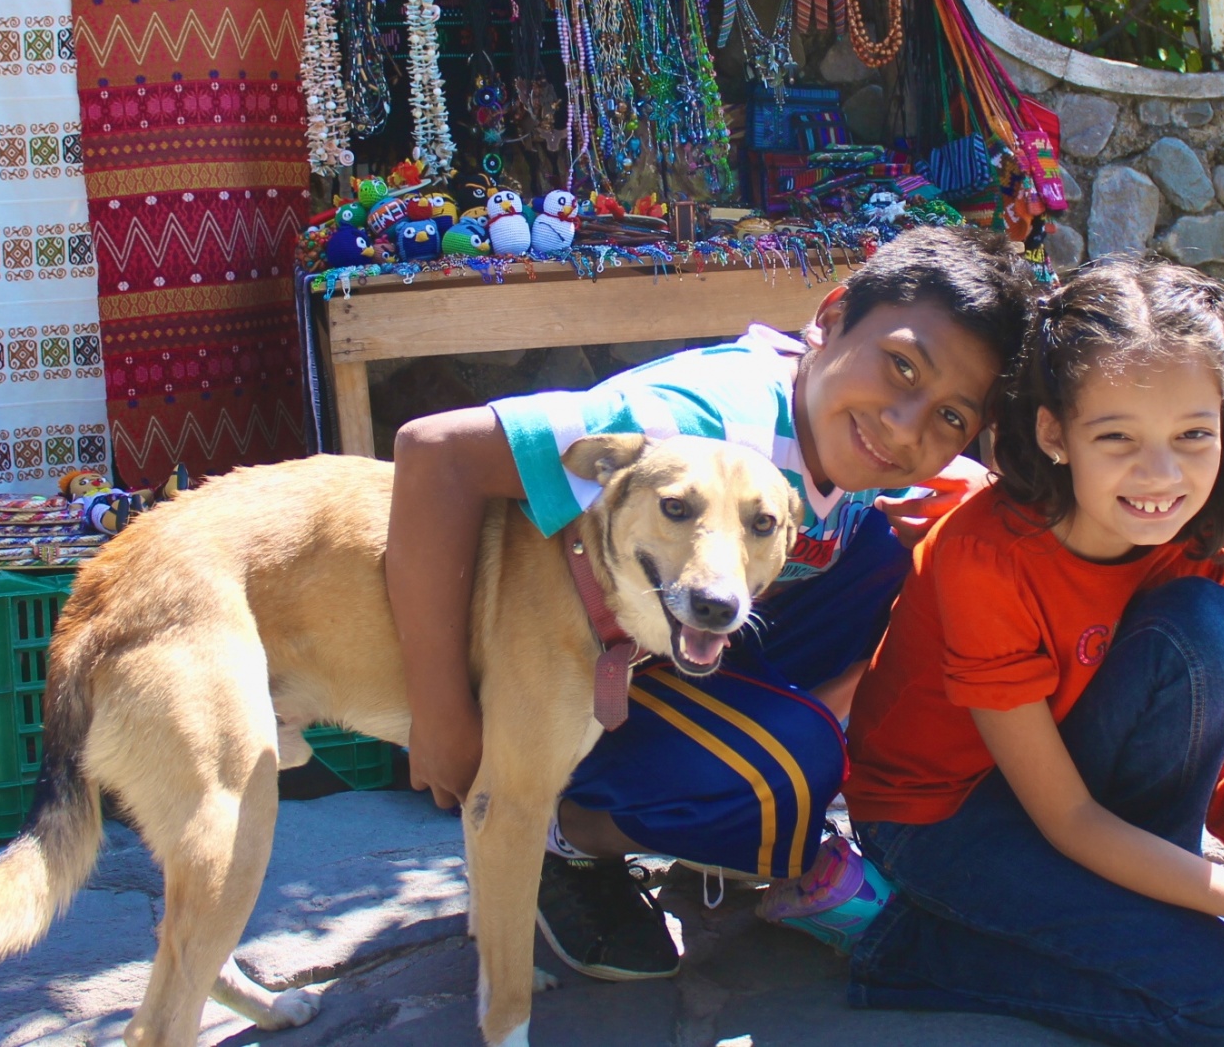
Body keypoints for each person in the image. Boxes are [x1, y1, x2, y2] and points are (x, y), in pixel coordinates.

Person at [384, 225, 1038, 981]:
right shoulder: (694, 422)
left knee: (928, 543)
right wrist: (441, 713)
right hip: (550, 679)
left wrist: (976, 491)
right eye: (899, 367)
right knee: (790, 773)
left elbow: (934, 473)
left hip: (666, 635)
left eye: (951, 416)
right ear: (829, 319)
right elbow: (436, 450)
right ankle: (555, 827)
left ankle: (743, 758)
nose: (904, 424)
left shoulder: (842, 424)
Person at [822, 257, 1224, 1047]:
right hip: (939, 817)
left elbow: (1216, 752)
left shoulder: (1212, 535)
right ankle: (904, 946)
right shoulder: (989, 556)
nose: (1160, 474)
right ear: (1054, 432)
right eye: (1116, 436)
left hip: (1069, 783)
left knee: (1210, 630)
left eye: (1193, 435)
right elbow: (1070, 819)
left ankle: (1124, 906)